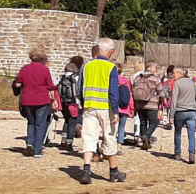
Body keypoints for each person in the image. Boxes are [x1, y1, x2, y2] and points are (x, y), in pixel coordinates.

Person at [77, 39, 127, 184]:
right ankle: (113, 171)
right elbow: (113, 91)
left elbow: (80, 86)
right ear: (111, 51)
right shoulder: (111, 67)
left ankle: (86, 170)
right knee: (109, 136)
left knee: (89, 137)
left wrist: (82, 101)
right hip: (106, 107)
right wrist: (116, 111)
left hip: (89, 106)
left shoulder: (87, 66)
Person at [13, 46, 57, 157]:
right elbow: (50, 87)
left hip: (27, 100)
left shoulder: (24, 69)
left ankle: (29, 144)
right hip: (41, 100)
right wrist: (54, 100)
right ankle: (37, 150)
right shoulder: (44, 70)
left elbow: (18, 84)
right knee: (40, 124)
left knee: (31, 122)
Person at [168, 67, 196, 163]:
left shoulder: (177, 83)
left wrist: (171, 115)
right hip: (191, 111)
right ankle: (192, 154)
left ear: (180, 73)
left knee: (178, 133)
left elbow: (174, 101)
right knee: (191, 134)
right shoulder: (192, 83)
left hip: (180, 111)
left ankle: (177, 153)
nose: (173, 75)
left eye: (174, 73)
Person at [131, 62, 163, 150]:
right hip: (151, 103)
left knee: (143, 122)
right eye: (155, 67)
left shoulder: (137, 78)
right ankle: (146, 136)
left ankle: (145, 143)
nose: (156, 69)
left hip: (139, 104)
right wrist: (163, 99)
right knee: (154, 122)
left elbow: (133, 90)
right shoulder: (155, 79)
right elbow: (160, 91)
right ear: (151, 67)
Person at [57, 57, 84, 153]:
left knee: (66, 120)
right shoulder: (74, 78)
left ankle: (63, 140)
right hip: (73, 103)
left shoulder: (61, 78)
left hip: (63, 102)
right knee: (72, 123)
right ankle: (69, 143)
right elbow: (77, 91)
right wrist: (79, 102)